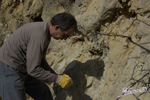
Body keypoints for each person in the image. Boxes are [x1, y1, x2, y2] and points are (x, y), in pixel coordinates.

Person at [0, 12, 77, 100]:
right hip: (8, 69)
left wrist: (56, 75)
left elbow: (40, 61)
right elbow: (33, 69)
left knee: (43, 93)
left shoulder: (45, 32)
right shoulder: (39, 35)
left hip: (22, 68)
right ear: (57, 27)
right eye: (65, 35)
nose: (65, 38)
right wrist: (56, 79)